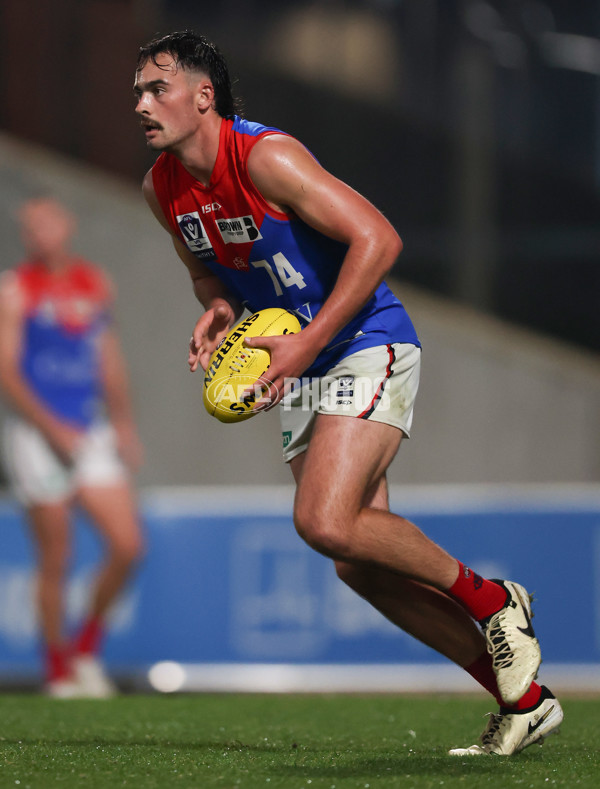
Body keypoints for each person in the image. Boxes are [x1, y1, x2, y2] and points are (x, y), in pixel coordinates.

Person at [134, 31, 563, 755]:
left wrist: (304, 343)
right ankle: (521, 699)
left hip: (365, 340)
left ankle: (495, 599)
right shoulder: (162, 189)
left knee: (324, 521)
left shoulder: (264, 156)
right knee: (356, 561)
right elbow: (209, 271)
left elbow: (379, 238)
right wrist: (216, 306)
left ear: (203, 96)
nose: (141, 104)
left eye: (156, 88)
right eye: (138, 92)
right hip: (303, 362)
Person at [0, 197, 144, 698]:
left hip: (91, 429)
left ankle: (85, 649)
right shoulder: (16, 289)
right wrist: (49, 426)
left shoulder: (94, 283)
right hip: (38, 436)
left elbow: (108, 359)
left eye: (47, 222)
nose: (39, 233)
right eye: (30, 226)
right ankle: (57, 668)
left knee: (127, 545)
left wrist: (123, 423)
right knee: (56, 555)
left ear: (67, 224)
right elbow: (8, 370)